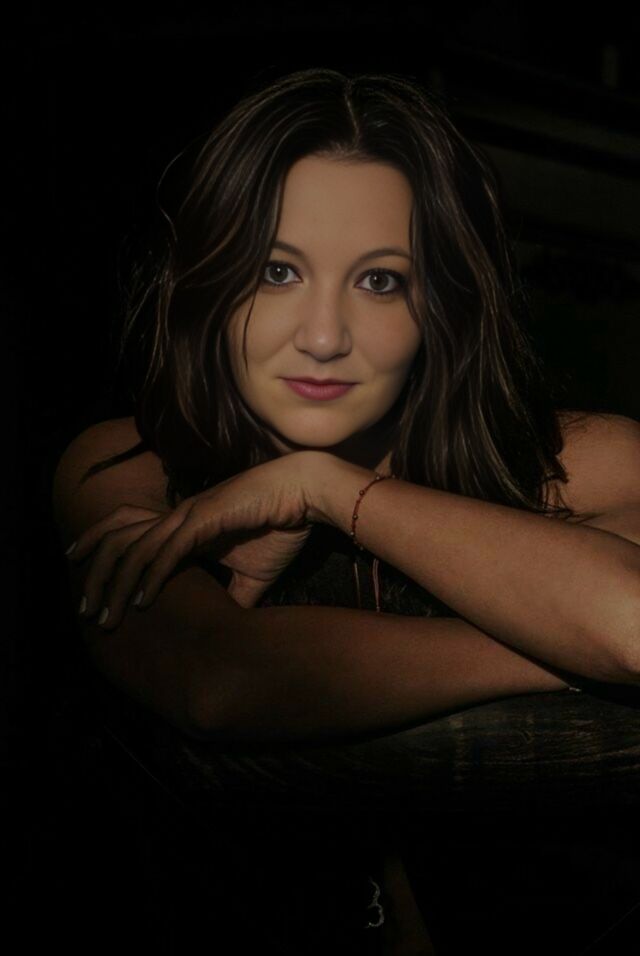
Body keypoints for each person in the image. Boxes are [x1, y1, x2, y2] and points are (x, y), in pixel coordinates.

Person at [51, 68, 640, 955]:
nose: (323, 337)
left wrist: (329, 490)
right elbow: (219, 681)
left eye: (380, 282)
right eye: (277, 271)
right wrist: (558, 645)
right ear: (205, 279)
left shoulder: (583, 461)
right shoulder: (125, 466)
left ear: (441, 302)